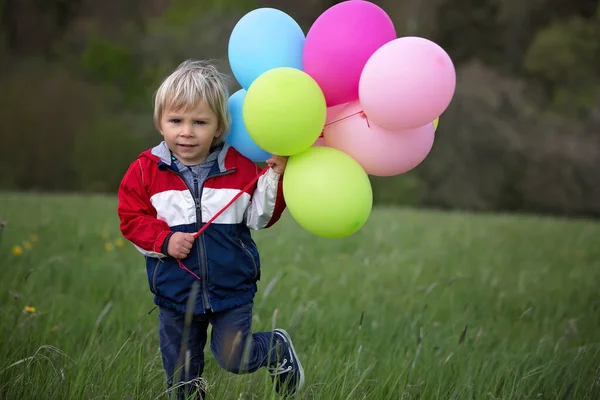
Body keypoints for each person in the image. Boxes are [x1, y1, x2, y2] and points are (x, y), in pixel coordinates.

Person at [117, 60, 304, 399]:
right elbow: (131, 219)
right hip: (176, 294)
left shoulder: (239, 167)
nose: (186, 131)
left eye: (199, 122)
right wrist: (165, 239)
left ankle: (275, 348)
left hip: (231, 289)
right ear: (160, 123)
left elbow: (259, 216)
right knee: (182, 377)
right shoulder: (146, 171)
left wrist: (275, 176)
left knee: (235, 356)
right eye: (176, 121)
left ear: (219, 127)